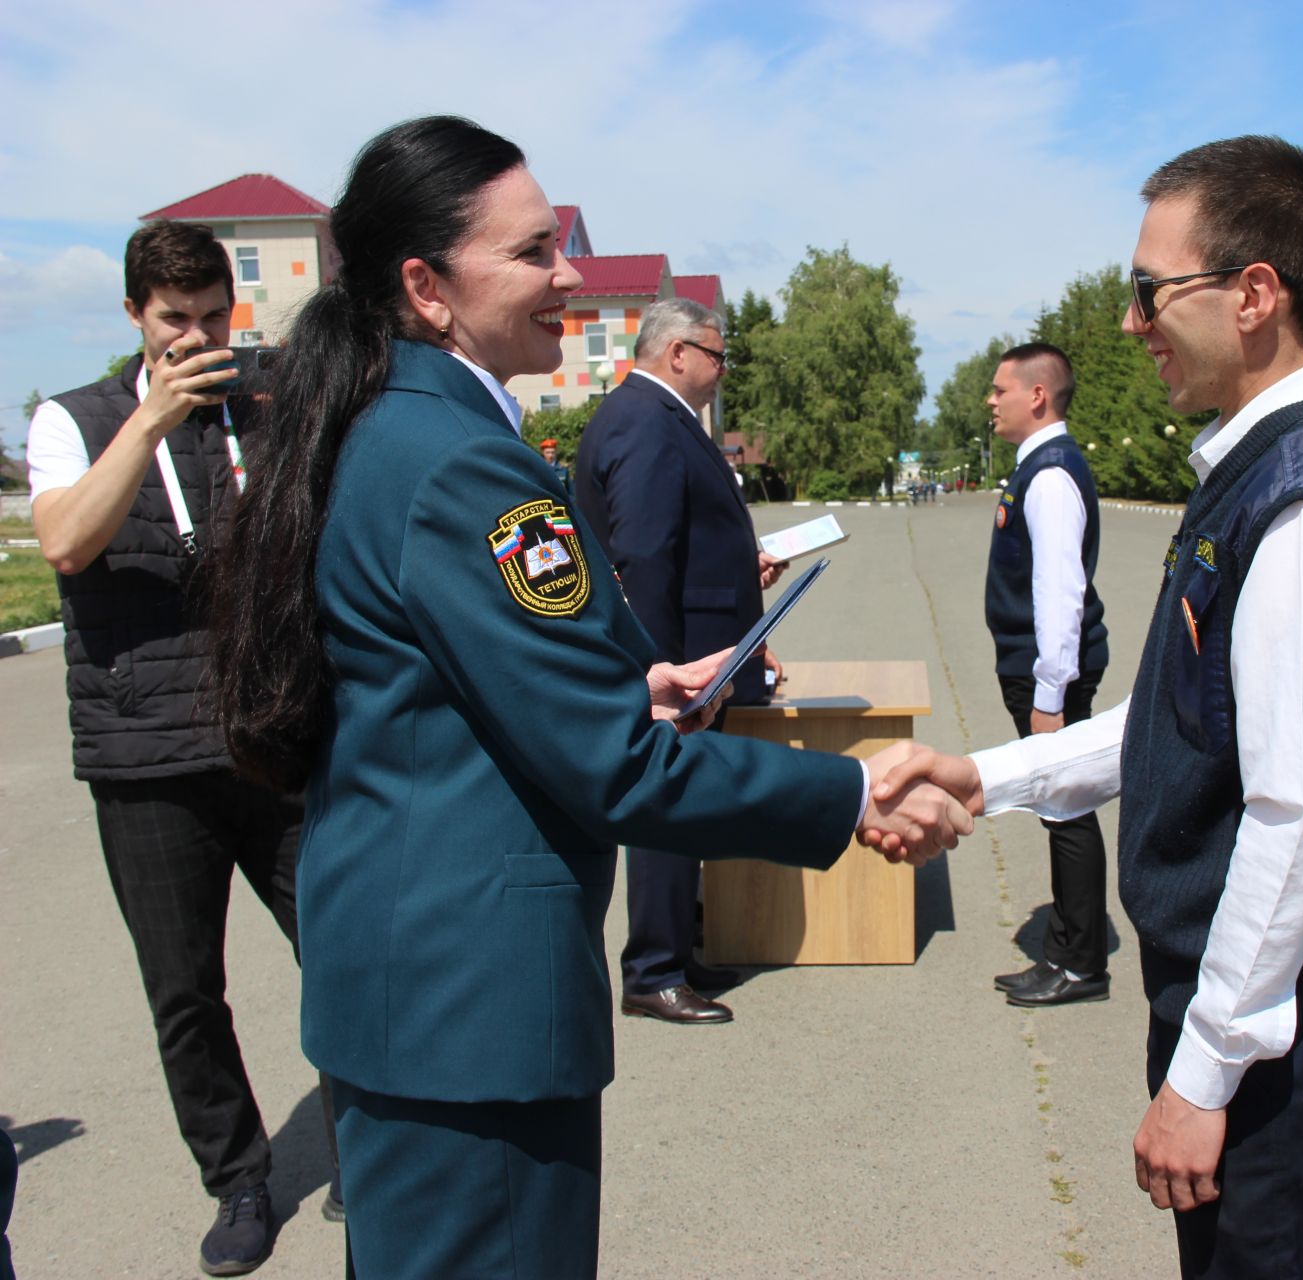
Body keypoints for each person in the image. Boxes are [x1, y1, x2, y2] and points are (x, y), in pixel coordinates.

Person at [206, 116, 965, 1280]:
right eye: (532, 252)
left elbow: (438, 682)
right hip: (471, 1017)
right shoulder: (463, 461)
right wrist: (855, 785)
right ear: (427, 287)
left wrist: (629, 676)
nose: (567, 274)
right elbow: (614, 764)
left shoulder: (389, 423)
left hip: (411, 989)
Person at [870, 135, 1303, 1280]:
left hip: (1279, 1032)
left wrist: (1202, 1074)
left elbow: (1292, 819)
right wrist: (990, 776)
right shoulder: (1260, 468)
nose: (1130, 322)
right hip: (1251, 1011)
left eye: (1150, 291)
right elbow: (1181, 718)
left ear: (1255, 296)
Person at [26, 219, 339, 1276]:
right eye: (174, 321)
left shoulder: (260, 408)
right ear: (133, 317)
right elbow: (68, 540)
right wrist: (151, 419)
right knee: (185, 989)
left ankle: (366, 1131)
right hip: (146, 756)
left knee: (339, 941)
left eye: (213, 316)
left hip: (273, 737)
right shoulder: (76, 420)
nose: (196, 337)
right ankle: (240, 1179)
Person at [573, 295, 790, 1026]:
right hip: (677, 664)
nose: (722, 369)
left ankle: (680, 948)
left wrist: (738, 566)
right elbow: (643, 556)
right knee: (665, 808)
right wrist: (658, 676)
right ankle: (652, 971)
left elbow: (686, 540)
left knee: (688, 806)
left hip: (701, 652)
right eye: (717, 355)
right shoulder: (646, 421)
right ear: (678, 353)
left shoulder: (663, 420)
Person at [981, 342, 1112, 1006]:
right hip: (1039, 673)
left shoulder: (1052, 474)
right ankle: (1070, 948)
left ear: (1037, 396)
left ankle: (1079, 962)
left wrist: (1050, 695)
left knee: (1068, 807)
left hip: (1049, 677)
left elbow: (1059, 593)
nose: (990, 400)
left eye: (1000, 389)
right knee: (1059, 806)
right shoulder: (1037, 468)